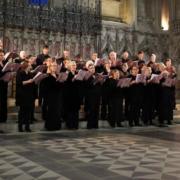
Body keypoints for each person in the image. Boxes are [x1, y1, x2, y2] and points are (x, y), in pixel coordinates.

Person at [41, 61, 63, 131]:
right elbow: (45, 88)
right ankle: (50, 126)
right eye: (53, 66)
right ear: (50, 67)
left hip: (57, 96)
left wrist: (61, 81)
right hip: (50, 97)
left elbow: (60, 87)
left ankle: (57, 126)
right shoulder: (47, 76)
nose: (54, 67)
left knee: (57, 111)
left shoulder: (57, 75)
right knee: (51, 111)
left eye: (56, 66)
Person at [16, 61, 36, 132]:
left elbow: (32, 82)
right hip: (22, 95)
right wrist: (28, 81)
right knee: (22, 112)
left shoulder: (30, 73)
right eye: (29, 65)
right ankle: (20, 127)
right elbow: (19, 83)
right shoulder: (20, 73)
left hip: (29, 94)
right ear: (26, 66)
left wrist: (35, 80)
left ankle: (27, 127)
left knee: (28, 111)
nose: (30, 66)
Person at [63, 61, 81, 129]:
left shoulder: (78, 73)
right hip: (69, 95)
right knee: (70, 111)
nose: (74, 66)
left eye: (75, 65)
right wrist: (72, 79)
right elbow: (65, 85)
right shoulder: (67, 74)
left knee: (76, 111)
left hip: (76, 95)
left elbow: (80, 84)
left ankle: (75, 125)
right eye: (73, 65)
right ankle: (70, 125)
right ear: (70, 67)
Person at [0, 49, 8, 123]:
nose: (2, 56)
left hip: (4, 84)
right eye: (0, 55)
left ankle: (3, 118)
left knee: (4, 101)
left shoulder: (4, 63)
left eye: (3, 55)